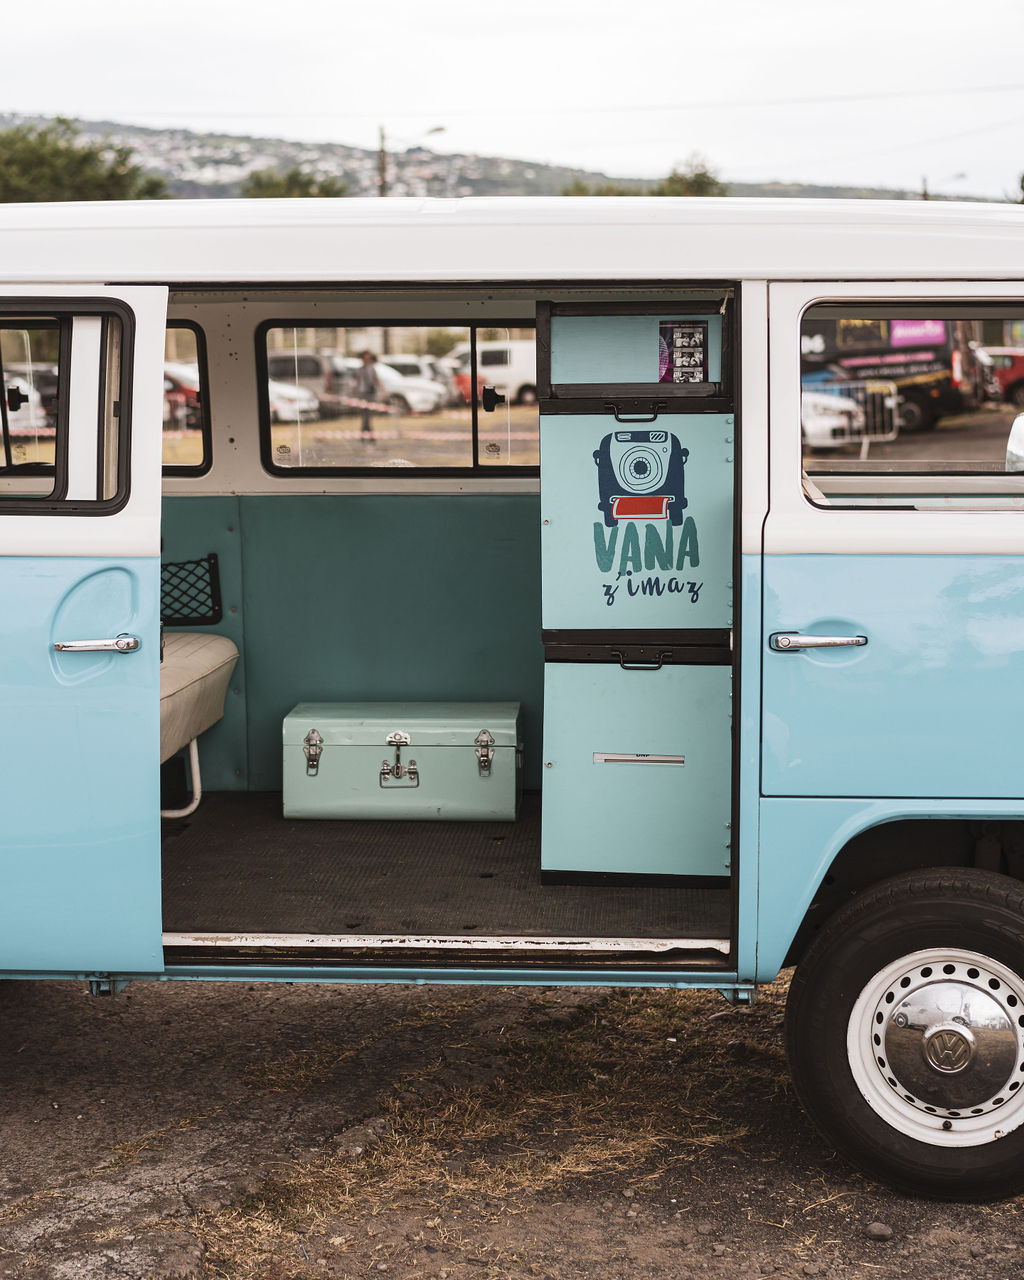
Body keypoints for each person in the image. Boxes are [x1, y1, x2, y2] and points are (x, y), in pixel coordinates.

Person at [354, 350, 381, 441]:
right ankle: (367, 434)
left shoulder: (372, 369)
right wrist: (356, 393)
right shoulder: (359, 370)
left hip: (370, 393)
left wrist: (382, 390)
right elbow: (357, 382)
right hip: (362, 393)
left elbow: (376, 380)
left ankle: (367, 433)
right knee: (364, 415)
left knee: (368, 415)